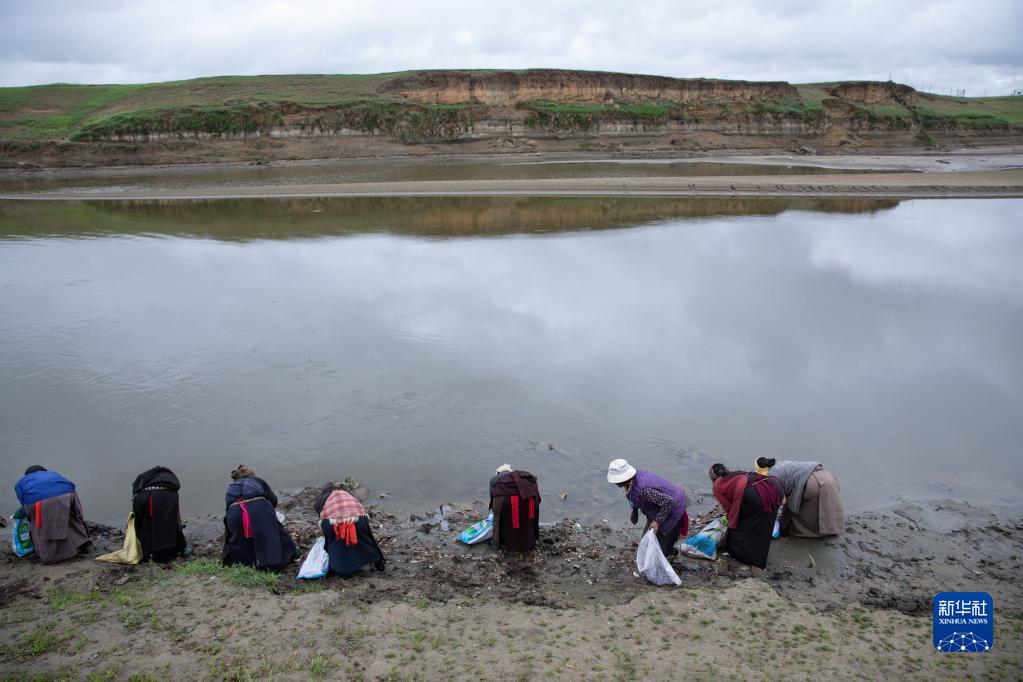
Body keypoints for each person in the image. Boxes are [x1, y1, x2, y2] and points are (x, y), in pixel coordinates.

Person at [607, 459, 688, 559]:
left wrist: (657, 522)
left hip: (673, 507)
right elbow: (634, 496)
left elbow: (668, 502)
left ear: (622, 479)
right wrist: (635, 510)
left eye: (616, 481)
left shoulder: (644, 491)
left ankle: (669, 556)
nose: (615, 483)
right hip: (659, 506)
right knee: (648, 539)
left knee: (661, 544)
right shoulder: (633, 480)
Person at [709, 463, 784, 569]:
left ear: (713, 478)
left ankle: (746, 558)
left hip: (756, 494)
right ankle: (760, 554)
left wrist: (730, 522)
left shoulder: (717, 485)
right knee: (765, 524)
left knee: (745, 525)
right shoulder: (736, 473)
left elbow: (730, 509)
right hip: (774, 487)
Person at [222, 465, 297, 570]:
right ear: (252, 475)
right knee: (275, 531)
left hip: (234, 514)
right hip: (258, 509)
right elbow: (274, 501)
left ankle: (243, 563)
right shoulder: (257, 481)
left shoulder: (231, 487)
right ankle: (275, 561)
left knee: (239, 538)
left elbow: (228, 508)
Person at [14, 465, 90, 564]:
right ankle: (83, 543)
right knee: (73, 516)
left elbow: (25, 504)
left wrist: (20, 514)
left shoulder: (21, 483)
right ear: (44, 471)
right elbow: (70, 484)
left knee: (37, 524)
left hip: (37, 502)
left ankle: (50, 555)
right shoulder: (53, 474)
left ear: (27, 475)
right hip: (68, 494)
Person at [754, 457, 844, 538]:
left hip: (810, 485)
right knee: (824, 507)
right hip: (828, 477)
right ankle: (830, 530)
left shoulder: (768, 477)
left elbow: (782, 501)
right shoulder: (780, 464)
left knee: (795, 519)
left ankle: (813, 533)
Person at [313, 485, 385, 576]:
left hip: (334, 524)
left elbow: (322, 521)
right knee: (365, 539)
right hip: (358, 520)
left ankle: (337, 567)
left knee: (335, 544)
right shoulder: (349, 495)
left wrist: (327, 535)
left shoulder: (320, 501)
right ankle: (377, 561)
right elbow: (361, 509)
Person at [131, 466, 188, 562]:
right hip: (166, 496)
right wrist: (182, 546)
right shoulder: (168, 482)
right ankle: (168, 552)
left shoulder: (141, 483)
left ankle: (147, 554)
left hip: (142, 498)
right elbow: (175, 521)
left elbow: (138, 522)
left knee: (144, 525)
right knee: (169, 523)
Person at [489, 464, 540, 551]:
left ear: (498, 472)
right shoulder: (522, 477)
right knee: (528, 518)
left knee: (498, 517)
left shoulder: (494, 479)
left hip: (504, 497)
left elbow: (493, 497)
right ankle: (532, 542)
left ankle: (496, 543)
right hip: (529, 496)